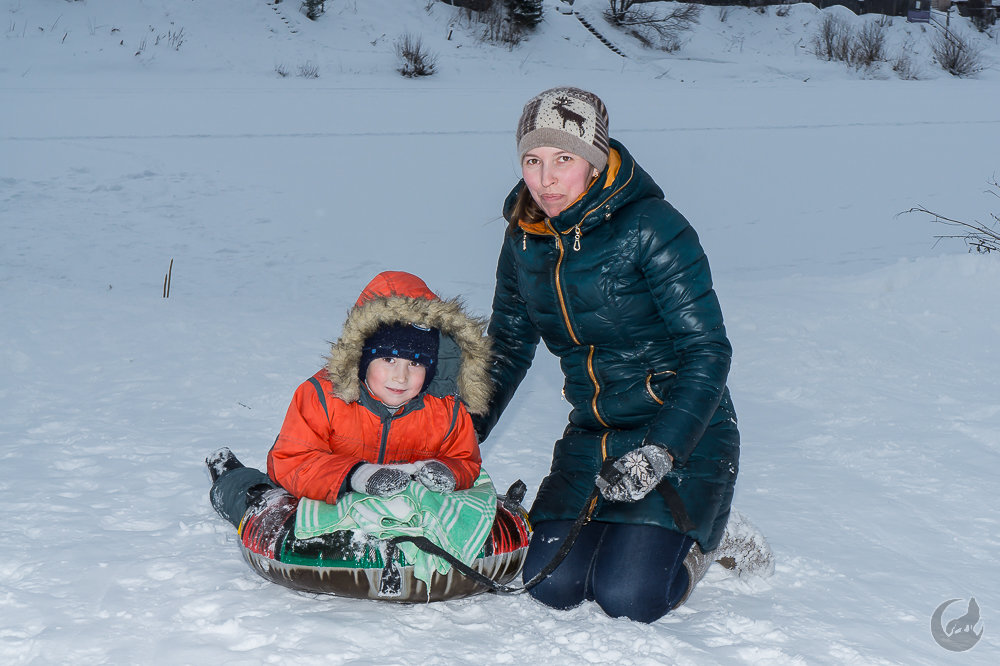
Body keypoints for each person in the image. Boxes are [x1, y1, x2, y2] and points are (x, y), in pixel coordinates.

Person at [472, 87, 771, 623]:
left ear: (593, 159)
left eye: (564, 159)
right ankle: (634, 531)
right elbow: (507, 347)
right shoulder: (524, 238)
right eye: (532, 161)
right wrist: (458, 436)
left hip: (682, 432)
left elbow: (708, 351)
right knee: (550, 583)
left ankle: (711, 537)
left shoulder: (653, 225)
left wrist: (660, 452)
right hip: (594, 434)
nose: (545, 179)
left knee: (629, 596)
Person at [207, 270, 493, 531]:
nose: (401, 377)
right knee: (263, 503)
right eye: (388, 359)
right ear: (362, 357)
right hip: (324, 494)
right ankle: (228, 474)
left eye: (416, 364)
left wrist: (449, 472)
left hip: (398, 507)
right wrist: (357, 474)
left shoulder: (445, 409)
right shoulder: (322, 396)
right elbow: (291, 461)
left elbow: (464, 459)